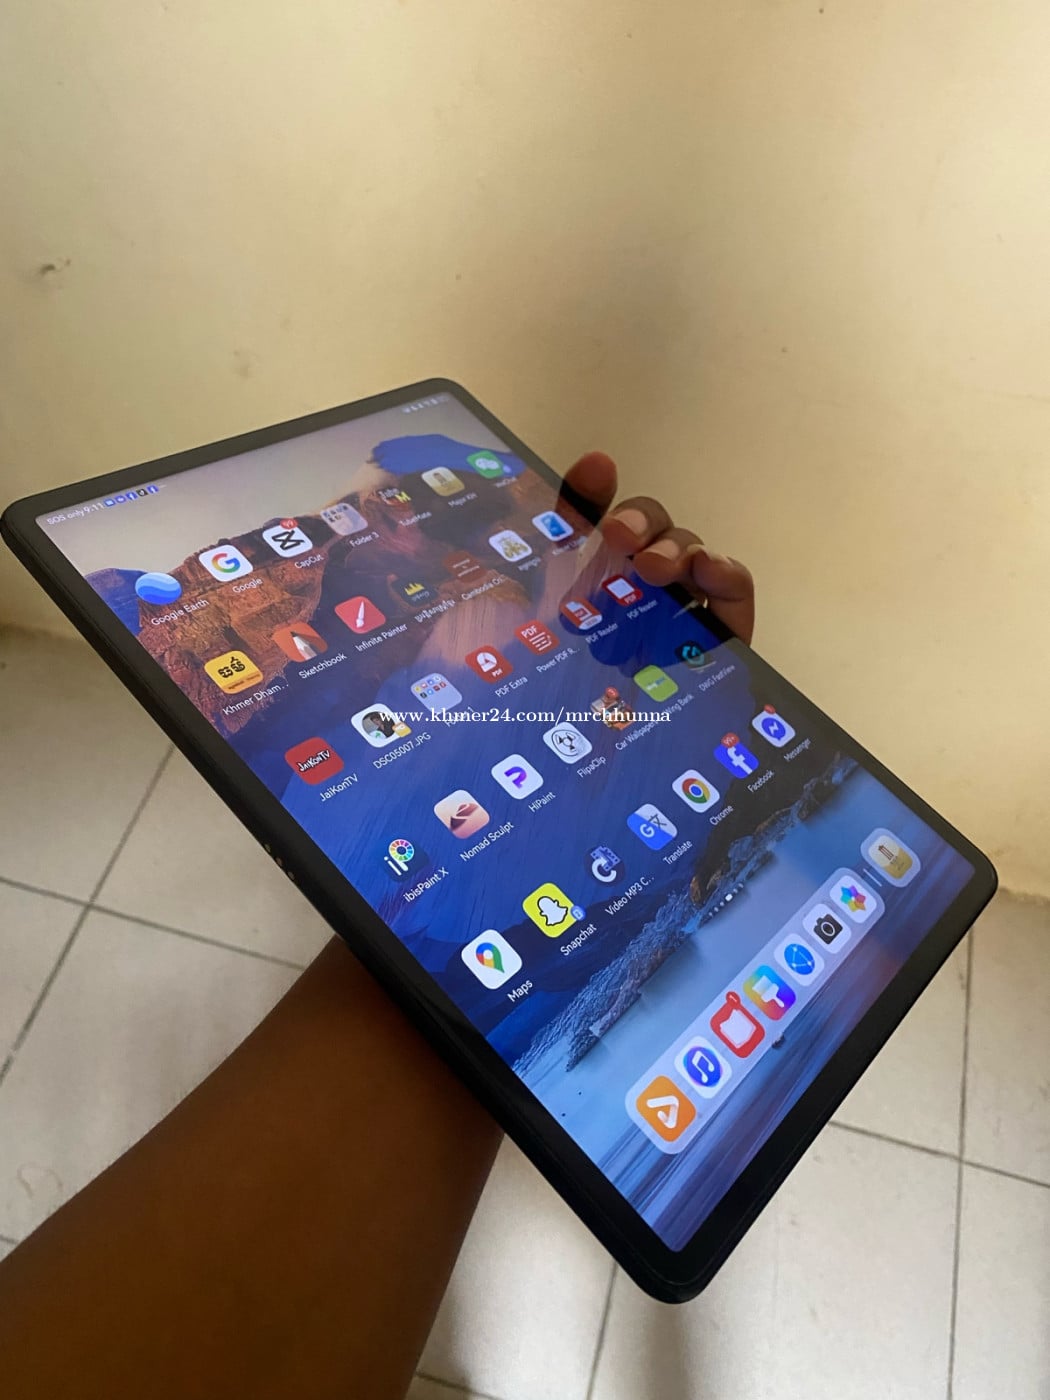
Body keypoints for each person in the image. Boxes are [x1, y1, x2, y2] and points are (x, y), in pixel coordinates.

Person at [0, 452, 755, 1400]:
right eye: (370, 503)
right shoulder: (375, 711)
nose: (374, 513)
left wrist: (644, 723)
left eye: (388, 501)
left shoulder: (438, 665)